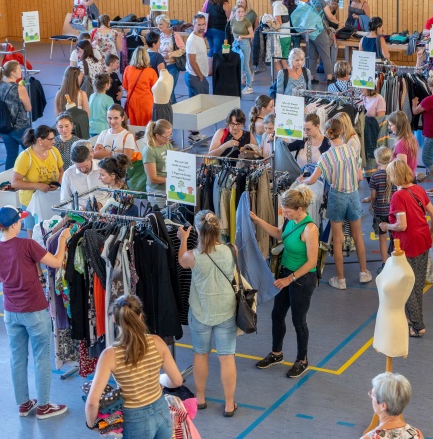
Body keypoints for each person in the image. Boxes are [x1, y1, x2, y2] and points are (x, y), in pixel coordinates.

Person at [0, 205, 71, 420]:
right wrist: (62, 241)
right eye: (20, 220)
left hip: (10, 311)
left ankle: (23, 404)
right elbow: (57, 262)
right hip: (34, 309)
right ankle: (43, 406)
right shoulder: (28, 245)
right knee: (42, 357)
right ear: (15, 224)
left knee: (17, 358)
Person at [85, 295, 184, 436]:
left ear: (114, 318)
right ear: (140, 316)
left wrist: (91, 425)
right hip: (161, 410)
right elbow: (177, 381)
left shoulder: (109, 356)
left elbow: (92, 403)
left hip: (134, 419)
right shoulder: (157, 342)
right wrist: (159, 379)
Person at [250, 185, 319, 379]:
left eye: (287, 211)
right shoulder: (289, 221)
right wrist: (257, 220)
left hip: (302, 279)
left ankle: (302, 360)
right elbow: (280, 234)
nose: (285, 214)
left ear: (299, 209)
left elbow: (312, 262)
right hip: (286, 274)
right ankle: (276, 354)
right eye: (284, 211)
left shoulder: (310, 228)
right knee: (277, 315)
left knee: (299, 320)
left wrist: (289, 279)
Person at [176, 211, 239, 415]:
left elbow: (181, 260)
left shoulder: (192, 257)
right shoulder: (231, 249)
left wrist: (183, 239)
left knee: (200, 354)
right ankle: (229, 403)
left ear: (198, 231)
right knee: (227, 357)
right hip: (227, 311)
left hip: (201, 312)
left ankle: (200, 397)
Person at [300, 117, 371, 288]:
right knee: (357, 236)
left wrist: (303, 180)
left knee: (337, 240)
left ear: (326, 133)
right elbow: (360, 176)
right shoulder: (352, 150)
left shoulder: (326, 157)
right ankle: (363, 272)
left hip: (336, 196)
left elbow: (312, 179)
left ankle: (340, 279)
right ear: (342, 131)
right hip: (353, 195)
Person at [378, 160, 433, 337]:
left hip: (407, 244)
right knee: (417, 282)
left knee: (405, 284)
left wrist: (386, 226)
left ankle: (417, 324)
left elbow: (402, 225)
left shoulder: (398, 196)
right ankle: (417, 319)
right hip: (423, 239)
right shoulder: (418, 189)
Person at [11, 125, 63, 234]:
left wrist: (58, 183)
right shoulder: (25, 157)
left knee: (53, 229)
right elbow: (15, 183)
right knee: (34, 233)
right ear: (40, 140)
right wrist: (37, 186)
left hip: (51, 199)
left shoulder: (54, 151)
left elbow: (61, 171)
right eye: (50, 139)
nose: (54, 141)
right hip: (31, 202)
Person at [0, 61, 32, 170]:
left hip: (4, 126)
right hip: (20, 126)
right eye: (19, 70)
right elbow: (28, 108)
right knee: (32, 152)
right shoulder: (19, 88)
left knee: (11, 155)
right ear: (13, 73)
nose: (21, 71)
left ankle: (9, 181)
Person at [361, 372, 424, 439]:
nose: (369, 394)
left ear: (383, 406)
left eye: (372, 395)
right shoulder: (417, 434)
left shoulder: (368, 438)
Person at [364, 147, 394, 263]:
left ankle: (385, 263)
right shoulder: (393, 174)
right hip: (393, 211)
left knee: (382, 239)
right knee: (394, 238)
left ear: (377, 160)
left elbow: (373, 196)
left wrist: (368, 199)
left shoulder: (375, 176)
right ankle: (395, 262)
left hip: (380, 212)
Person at [60, 141, 107, 209]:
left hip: (105, 210)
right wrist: (78, 208)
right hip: (80, 215)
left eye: (85, 166)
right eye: (79, 168)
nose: (83, 170)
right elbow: (64, 201)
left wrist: (102, 204)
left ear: (91, 157)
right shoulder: (68, 174)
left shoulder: (104, 168)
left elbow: (113, 193)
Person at [304, 0, 336, 84]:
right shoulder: (321, 2)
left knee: (312, 56)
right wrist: (337, 21)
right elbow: (329, 16)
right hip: (319, 31)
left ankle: (311, 77)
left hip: (309, 32)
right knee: (326, 55)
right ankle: (329, 78)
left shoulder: (308, 3)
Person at [185, 14, 210, 135]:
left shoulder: (200, 37)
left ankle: (194, 133)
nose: (201, 27)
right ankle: (194, 132)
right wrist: (200, 75)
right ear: (193, 25)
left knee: (194, 106)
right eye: (198, 24)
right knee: (200, 106)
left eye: (203, 24)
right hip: (195, 77)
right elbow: (192, 60)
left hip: (198, 76)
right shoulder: (192, 40)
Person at [123, 46, 156, 127]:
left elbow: (125, 86)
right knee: (148, 128)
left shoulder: (128, 69)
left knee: (134, 126)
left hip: (133, 102)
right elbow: (155, 89)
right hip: (146, 102)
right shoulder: (151, 71)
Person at [155, 14, 186, 101]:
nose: (159, 26)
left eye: (161, 24)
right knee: (165, 90)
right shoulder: (159, 36)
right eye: (158, 24)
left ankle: (173, 110)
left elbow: (183, 49)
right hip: (162, 66)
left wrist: (170, 54)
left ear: (167, 24)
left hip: (172, 66)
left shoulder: (175, 35)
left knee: (170, 90)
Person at [143, 119, 173, 197]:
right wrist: (171, 180)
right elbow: (153, 179)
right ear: (158, 136)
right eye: (167, 136)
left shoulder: (166, 143)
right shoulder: (149, 151)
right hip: (158, 191)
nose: (169, 138)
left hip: (170, 188)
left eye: (170, 135)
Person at [230, 4, 255, 94]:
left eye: (242, 12)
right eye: (239, 12)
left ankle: (249, 86)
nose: (241, 14)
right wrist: (235, 40)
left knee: (245, 66)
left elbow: (252, 35)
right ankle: (237, 83)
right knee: (236, 64)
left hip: (245, 43)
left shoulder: (246, 22)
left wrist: (243, 36)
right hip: (236, 43)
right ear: (235, 13)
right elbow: (233, 32)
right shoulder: (232, 21)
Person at [204, 0, 231, 66]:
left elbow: (204, 10)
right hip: (219, 30)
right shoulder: (225, 4)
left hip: (208, 29)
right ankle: (216, 71)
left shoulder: (209, 0)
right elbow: (229, 17)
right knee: (217, 51)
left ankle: (209, 70)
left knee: (211, 49)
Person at [270, 0, 291, 72]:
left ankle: (282, 78)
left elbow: (279, 22)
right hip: (287, 35)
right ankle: (287, 77)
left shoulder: (276, 6)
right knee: (284, 58)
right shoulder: (283, 5)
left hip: (281, 36)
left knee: (277, 59)